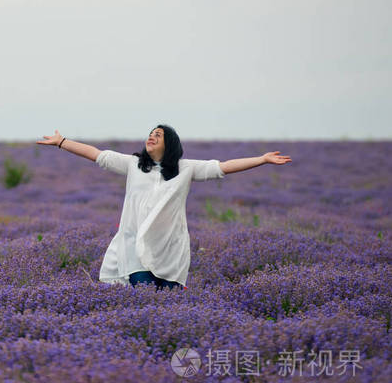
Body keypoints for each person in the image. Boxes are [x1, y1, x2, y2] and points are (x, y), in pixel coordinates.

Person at [36, 125, 292, 291]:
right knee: (143, 296)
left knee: (169, 303)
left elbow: (223, 167)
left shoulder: (186, 168)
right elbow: (96, 154)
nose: (151, 137)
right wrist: (62, 142)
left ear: (169, 144)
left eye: (157, 136)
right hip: (134, 245)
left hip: (170, 248)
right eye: (150, 134)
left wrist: (262, 159)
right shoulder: (133, 164)